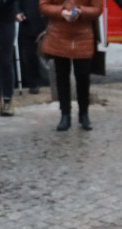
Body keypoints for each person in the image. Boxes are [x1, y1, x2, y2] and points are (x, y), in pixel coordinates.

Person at [39, 0, 102, 131]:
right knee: (61, 76)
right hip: (59, 34)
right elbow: (43, 5)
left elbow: (97, 9)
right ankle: (65, 114)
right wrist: (61, 12)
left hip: (83, 34)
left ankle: (84, 113)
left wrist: (81, 11)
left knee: (83, 76)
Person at [16, 0, 44, 93]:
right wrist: (17, 12)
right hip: (28, 23)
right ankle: (34, 84)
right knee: (29, 56)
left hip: (48, 20)